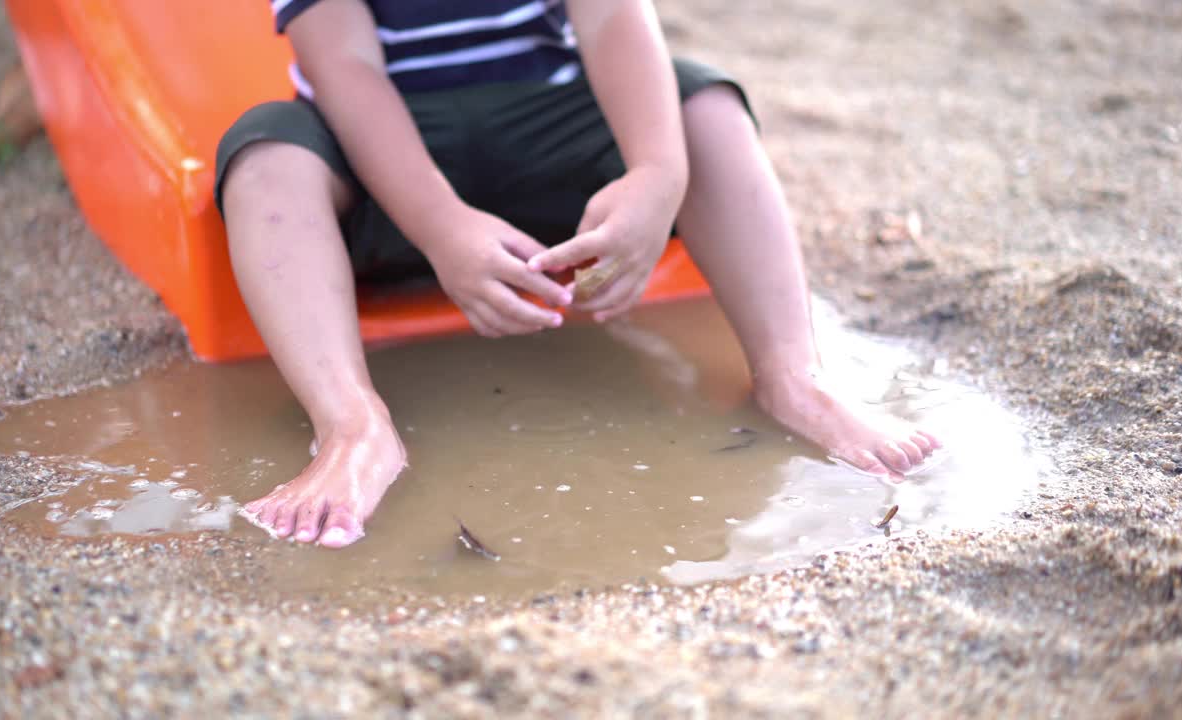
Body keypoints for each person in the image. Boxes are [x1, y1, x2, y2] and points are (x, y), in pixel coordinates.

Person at [216, 0, 940, 548]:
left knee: (705, 104)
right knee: (265, 158)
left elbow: (612, 20)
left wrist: (657, 175)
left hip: (549, 141)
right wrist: (442, 226)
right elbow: (347, 70)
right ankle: (352, 425)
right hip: (384, 169)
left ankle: (792, 374)